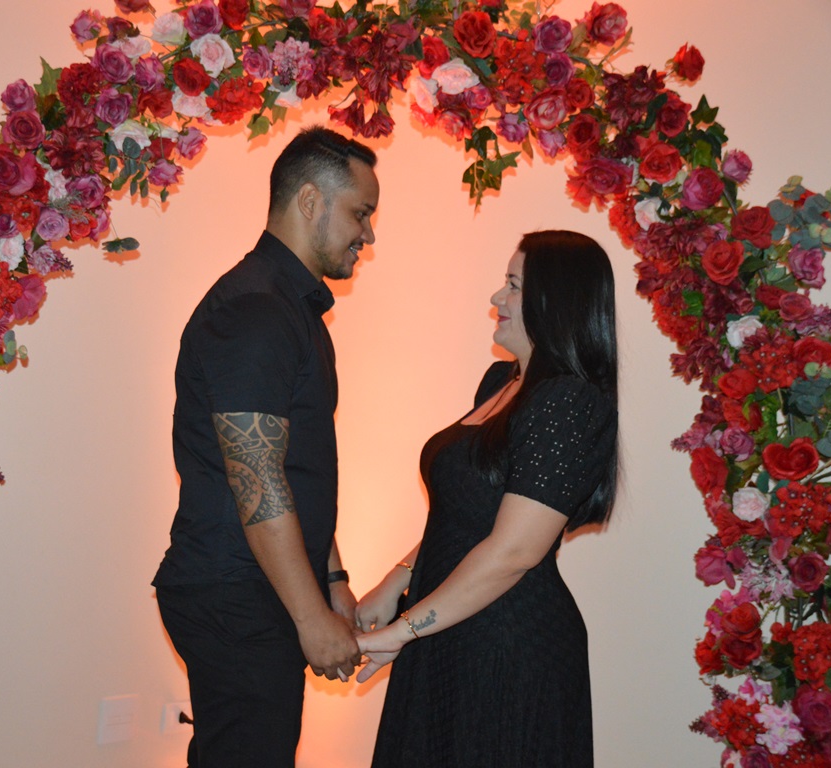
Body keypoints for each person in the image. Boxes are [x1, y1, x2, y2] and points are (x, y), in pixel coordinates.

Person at [152, 126, 380, 768]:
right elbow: (256, 475)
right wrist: (310, 617)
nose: (367, 234)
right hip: (239, 594)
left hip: (255, 590)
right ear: (310, 201)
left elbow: (295, 467)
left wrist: (331, 580)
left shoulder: (288, 307)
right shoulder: (257, 308)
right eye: (360, 213)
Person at [355, 230, 619, 767]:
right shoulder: (501, 382)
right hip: (450, 621)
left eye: (514, 285)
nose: (498, 297)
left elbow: (515, 551)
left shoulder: (567, 400)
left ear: (555, 300)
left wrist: (405, 629)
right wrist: (398, 580)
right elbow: (468, 512)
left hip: (507, 644)